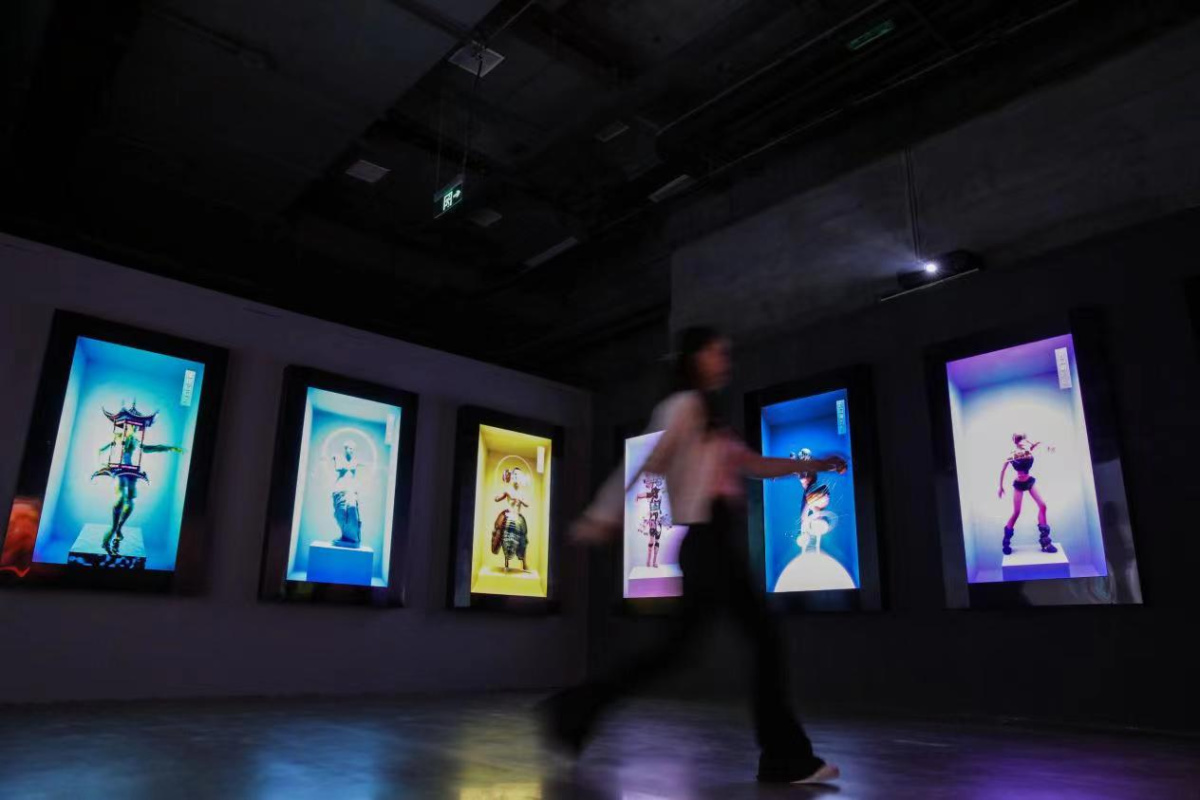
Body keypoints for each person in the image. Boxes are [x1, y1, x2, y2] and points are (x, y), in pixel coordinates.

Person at [540, 326, 846, 785]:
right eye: (716, 352)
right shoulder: (682, 407)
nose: (724, 360)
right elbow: (644, 463)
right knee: (751, 643)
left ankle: (574, 709)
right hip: (707, 543)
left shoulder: (710, 419)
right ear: (694, 358)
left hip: (717, 542)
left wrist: (814, 465)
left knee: (683, 651)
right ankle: (784, 756)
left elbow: (755, 465)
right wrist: (601, 515)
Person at [998, 433, 1056, 555]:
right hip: (1019, 484)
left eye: (1024, 439)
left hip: (1029, 482)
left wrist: (1048, 446)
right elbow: (1003, 469)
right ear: (1015, 442)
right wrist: (1001, 487)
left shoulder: (1028, 449)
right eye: (1020, 440)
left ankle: (1046, 542)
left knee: (1043, 506)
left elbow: (1040, 443)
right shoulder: (1012, 454)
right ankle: (1006, 541)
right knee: (1016, 512)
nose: (1023, 442)